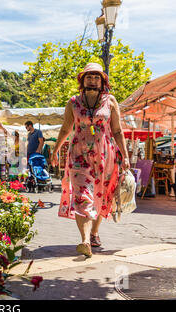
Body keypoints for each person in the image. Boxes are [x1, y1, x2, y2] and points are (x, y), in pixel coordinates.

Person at [50, 62, 130, 258]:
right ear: (82, 80)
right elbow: (65, 128)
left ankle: (94, 233)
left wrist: (126, 156)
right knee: (82, 195)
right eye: (89, 77)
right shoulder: (73, 102)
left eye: (96, 77)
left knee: (101, 196)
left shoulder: (110, 101)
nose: (92, 80)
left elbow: (118, 131)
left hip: (105, 156)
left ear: (102, 81)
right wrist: (55, 150)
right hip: (79, 155)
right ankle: (85, 240)